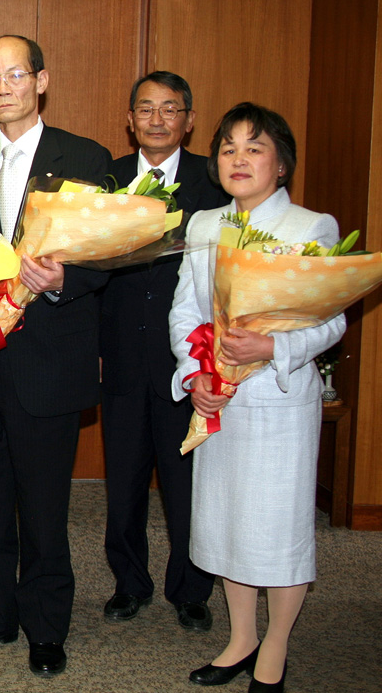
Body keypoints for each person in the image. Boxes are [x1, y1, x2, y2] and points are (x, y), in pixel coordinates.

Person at [0, 35, 110, 677]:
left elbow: (109, 255)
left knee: (43, 503)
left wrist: (66, 281)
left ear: (41, 81)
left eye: (16, 74)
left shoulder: (86, 157)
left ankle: (46, 625)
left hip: (48, 357)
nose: (3, 86)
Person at [169, 103, 343, 692]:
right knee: (226, 525)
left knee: (276, 525)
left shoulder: (310, 227)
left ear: (281, 163)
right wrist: (195, 373)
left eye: (254, 147)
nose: (238, 159)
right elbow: (185, 309)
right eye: (227, 148)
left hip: (278, 401)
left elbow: (331, 324)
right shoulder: (203, 225)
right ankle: (240, 638)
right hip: (217, 400)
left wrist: (270, 347)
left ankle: (275, 645)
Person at [99, 71, 225, 629]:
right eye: (145, 109)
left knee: (187, 482)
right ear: (130, 120)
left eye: (169, 110)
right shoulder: (108, 182)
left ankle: (191, 588)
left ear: (189, 121)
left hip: (188, 358)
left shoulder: (214, 183)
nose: (156, 119)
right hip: (121, 353)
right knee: (123, 479)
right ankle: (130, 582)